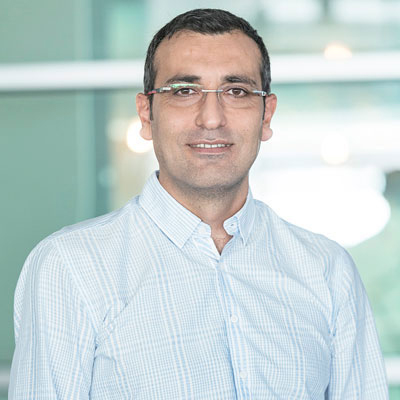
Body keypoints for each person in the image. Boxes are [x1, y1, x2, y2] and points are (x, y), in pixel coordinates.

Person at [9, 8, 388, 400]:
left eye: (236, 91)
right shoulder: (70, 267)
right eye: (184, 91)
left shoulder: (326, 270)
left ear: (266, 115)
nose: (211, 119)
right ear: (146, 114)